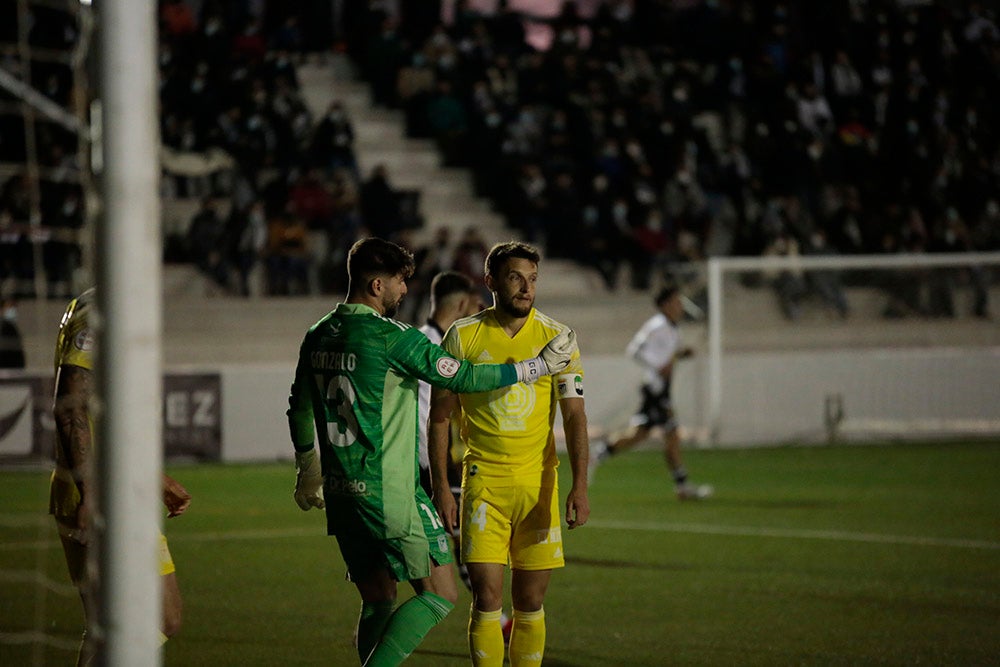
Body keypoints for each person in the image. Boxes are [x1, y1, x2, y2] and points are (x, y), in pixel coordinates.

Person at [285, 237, 576, 667]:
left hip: (342, 495)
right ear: (377, 285)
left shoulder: (318, 333)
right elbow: (464, 378)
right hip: (390, 494)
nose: (406, 292)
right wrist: (536, 366)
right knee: (442, 593)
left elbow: (300, 405)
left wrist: (309, 469)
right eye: (401, 283)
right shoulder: (392, 338)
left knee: (378, 599)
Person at [428, 241, 592, 667]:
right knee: (486, 596)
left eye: (533, 279)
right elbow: (440, 417)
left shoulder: (559, 338)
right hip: (483, 484)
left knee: (531, 600)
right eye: (516, 277)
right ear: (491, 282)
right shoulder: (463, 336)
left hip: (539, 484)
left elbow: (575, 416)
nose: (526, 288)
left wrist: (581, 484)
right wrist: (442, 489)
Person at [48, 288, 192, 666]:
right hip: (97, 493)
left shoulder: (122, 303)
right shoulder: (97, 310)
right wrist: (90, 491)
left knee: (163, 618)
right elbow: (70, 407)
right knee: (117, 624)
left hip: (126, 492)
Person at [413, 271, 513, 638]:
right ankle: (496, 619)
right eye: (472, 308)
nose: (477, 314)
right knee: (461, 540)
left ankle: (496, 618)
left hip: (439, 461)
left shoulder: (436, 342)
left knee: (446, 543)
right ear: (458, 307)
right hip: (429, 462)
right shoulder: (427, 346)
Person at [590, 286, 712, 501]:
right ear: (665, 305)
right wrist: (658, 366)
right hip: (655, 390)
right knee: (671, 435)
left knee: (640, 434)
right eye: (676, 302)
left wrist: (681, 354)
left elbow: (666, 356)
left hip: (661, 389)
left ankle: (596, 455)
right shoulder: (657, 325)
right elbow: (634, 350)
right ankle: (683, 487)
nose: (680, 306)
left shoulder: (673, 328)